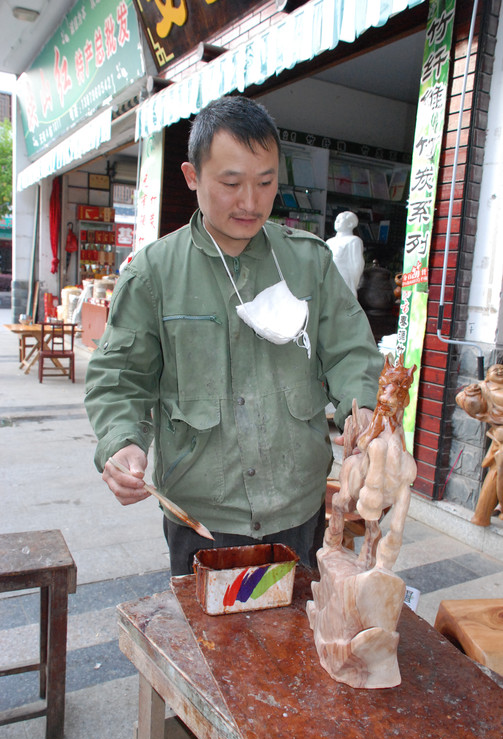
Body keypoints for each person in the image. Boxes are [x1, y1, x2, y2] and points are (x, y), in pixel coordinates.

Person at [84, 95, 383, 575]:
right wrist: (122, 443)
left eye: (265, 182)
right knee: (208, 647)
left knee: (297, 644)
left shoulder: (309, 261)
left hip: (297, 503)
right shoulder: (154, 274)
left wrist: (361, 405)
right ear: (192, 177)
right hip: (201, 514)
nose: (250, 201)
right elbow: (120, 378)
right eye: (231, 183)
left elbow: (351, 349)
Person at [326, 211, 365, 297]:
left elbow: (357, 265)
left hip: (344, 278)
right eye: (336, 219)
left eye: (340, 220)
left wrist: (353, 284)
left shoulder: (354, 241)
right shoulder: (330, 241)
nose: (337, 222)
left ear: (350, 224)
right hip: (328, 278)